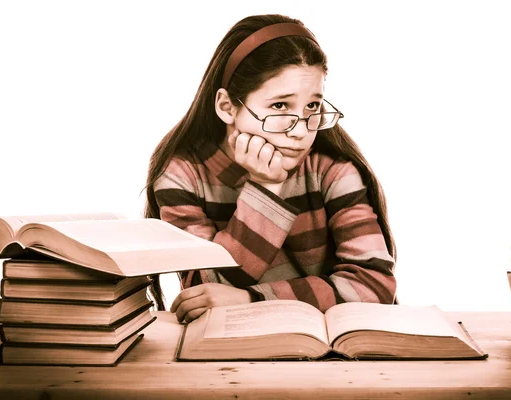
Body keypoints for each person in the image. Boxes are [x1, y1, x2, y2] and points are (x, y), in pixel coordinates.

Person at [144, 14, 397, 323]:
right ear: (227, 107)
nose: (301, 131)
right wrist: (265, 189)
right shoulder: (182, 177)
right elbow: (207, 292)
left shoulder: (331, 171)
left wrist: (254, 298)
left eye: (312, 107)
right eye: (280, 106)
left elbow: (374, 284)